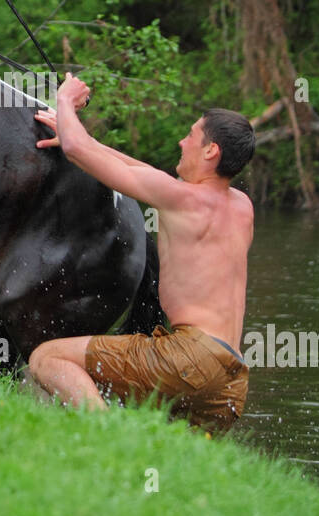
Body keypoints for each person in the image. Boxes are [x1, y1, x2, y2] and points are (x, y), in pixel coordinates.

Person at [28, 72, 255, 434]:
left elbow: (75, 150)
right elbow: (143, 172)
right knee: (176, 460)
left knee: (48, 357)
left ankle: (105, 439)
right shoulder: (242, 208)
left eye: (191, 136)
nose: (182, 142)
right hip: (230, 380)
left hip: (189, 358)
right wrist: (82, 137)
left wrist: (67, 102)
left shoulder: (181, 199)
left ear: (211, 151)